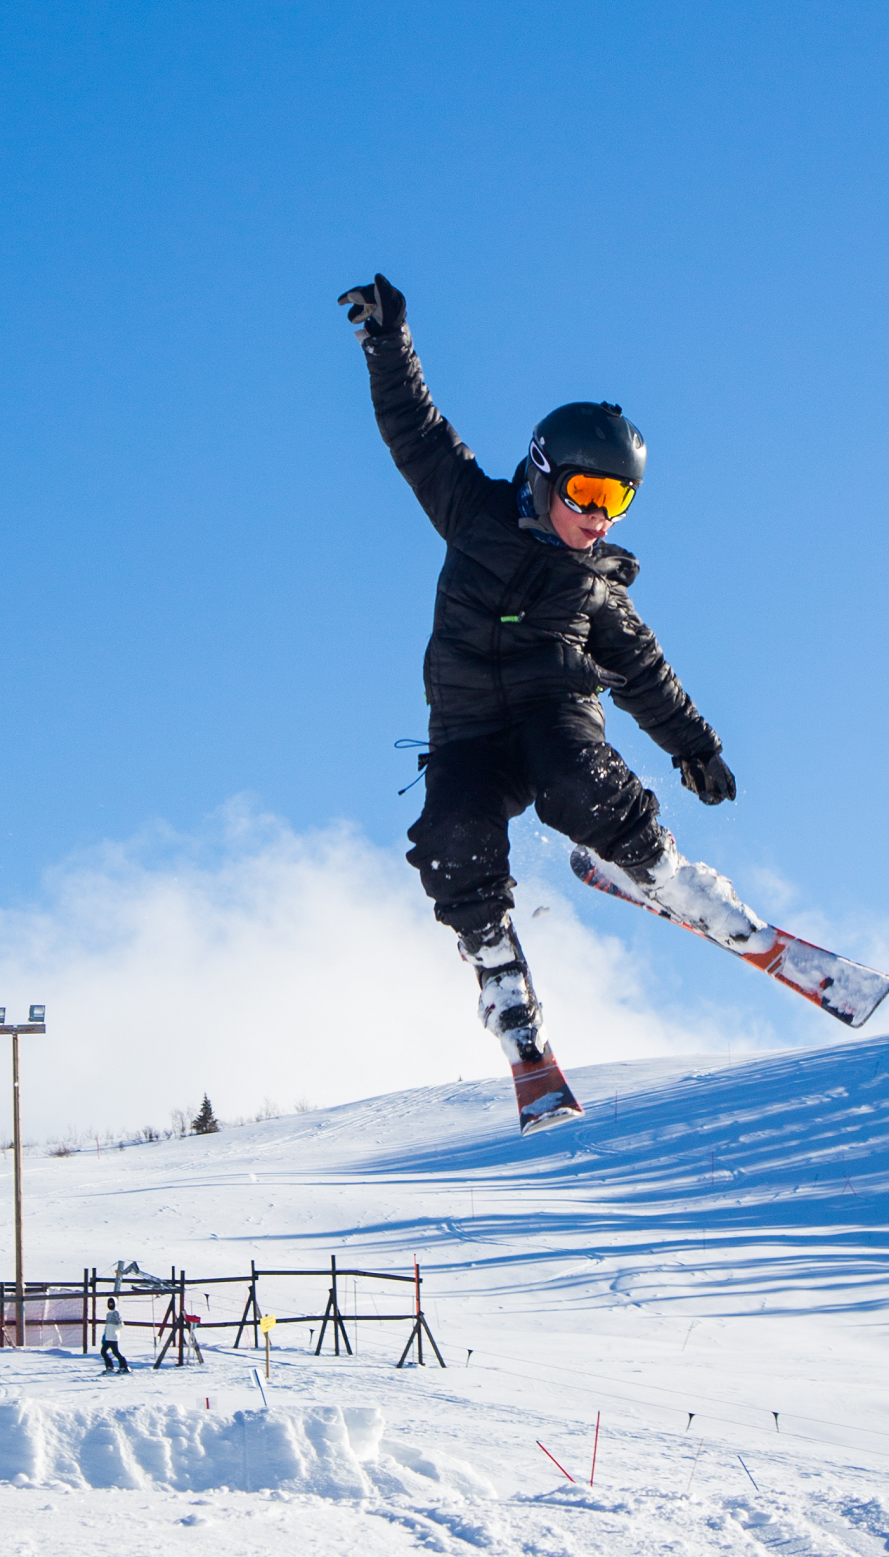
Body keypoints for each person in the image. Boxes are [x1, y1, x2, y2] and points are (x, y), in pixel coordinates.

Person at [340, 274, 760, 1134]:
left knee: (577, 780)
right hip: (466, 731)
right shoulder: (471, 510)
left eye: (620, 501)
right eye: (589, 495)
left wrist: (695, 745)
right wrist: (389, 344)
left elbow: (644, 671)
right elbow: (415, 429)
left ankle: (659, 870)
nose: (601, 518)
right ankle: (499, 973)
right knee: (451, 834)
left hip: (553, 712)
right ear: (542, 476)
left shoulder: (596, 588)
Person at [100, 1297, 129, 1373]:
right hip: (108, 1337)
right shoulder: (108, 1314)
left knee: (115, 1352)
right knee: (103, 1352)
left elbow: (121, 1325)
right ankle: (109, 1366)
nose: (110, 1305)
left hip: (113, 1337)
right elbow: (107, 1326)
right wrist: (104, 1335)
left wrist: (114, 1329)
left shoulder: (116, 1313)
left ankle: (124, 1366)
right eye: (109, 1303)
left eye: (112, 1303)